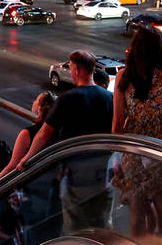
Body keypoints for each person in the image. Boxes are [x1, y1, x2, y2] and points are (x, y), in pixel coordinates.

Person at [20, 50, 113, 231]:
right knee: (103, 226)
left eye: (71, 68)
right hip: (103, 174)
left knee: (77, 228)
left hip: (76, 176)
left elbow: (44, 133)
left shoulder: (67, 98)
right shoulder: (109, 98)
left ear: (77, 70)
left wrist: (27, 158)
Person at [111, 26, 162, 236]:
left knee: (137, 208)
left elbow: (118, 122)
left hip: (134, 150)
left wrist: (117, 156)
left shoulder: (124, 78)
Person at [0, 92, 55, 182]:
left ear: (40, 108)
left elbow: (12, 167)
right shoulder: (57, 130)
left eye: (36, 100)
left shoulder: (27, 133)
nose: (33, 102)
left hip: (30, 181)